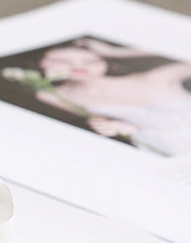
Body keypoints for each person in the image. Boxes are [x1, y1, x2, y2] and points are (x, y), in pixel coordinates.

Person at [34, 39, 191, 156]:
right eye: (61, 61)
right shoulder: (53, 95)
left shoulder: (157, 77)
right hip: (161, 148)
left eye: (90, 61)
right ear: (40, 63)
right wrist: (126, 128)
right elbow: (101, 123)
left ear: (106, 63)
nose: (78, 66)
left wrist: (115, 51)